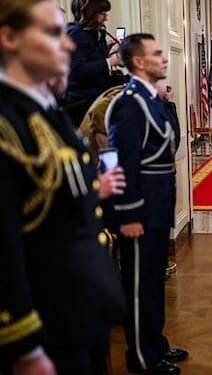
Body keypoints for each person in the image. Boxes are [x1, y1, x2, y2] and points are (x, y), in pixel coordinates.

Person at [0, 1, 126, 374]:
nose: (69, 44)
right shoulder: (8, 123)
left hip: (80, 311)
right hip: (48, 325)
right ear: (9, 38)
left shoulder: (46, 110)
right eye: (53, 33)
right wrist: (23, 347)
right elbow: (5, 244)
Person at [106, 33, 186, 375]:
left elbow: (169, 139)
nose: (164, 59)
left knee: (152, 280)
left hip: (158, 204)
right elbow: (121, 162)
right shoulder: (129, 103)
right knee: (138, 285)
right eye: (156, 54)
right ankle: (140, 357)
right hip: (140, 209)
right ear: (138, 61)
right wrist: (129, 214)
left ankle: (156, 344)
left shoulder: (151, 99)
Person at [65, 0, 122, 127]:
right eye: (102, 13)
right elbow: (77, 70)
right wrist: (110, 61)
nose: (106, 18)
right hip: (82, 105)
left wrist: (106, 51)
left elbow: (89, 59)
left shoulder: (86, 34)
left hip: (92, 103)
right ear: (91, 13)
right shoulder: (76, 33)